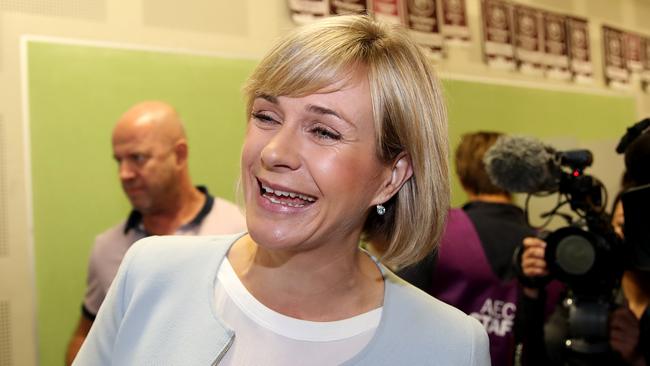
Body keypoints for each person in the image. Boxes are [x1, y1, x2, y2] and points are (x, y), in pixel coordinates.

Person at [72, 15, 490, 365]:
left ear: (391, 176)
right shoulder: (149, 274)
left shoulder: (450, 345)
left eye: (324, 130)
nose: (274, 152)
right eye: (266, 116)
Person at [65, 101, 246, 364]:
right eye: (119, 161)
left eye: (138, 158)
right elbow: (86, 333)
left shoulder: (241, 232)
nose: (124, 174)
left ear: (180, 155)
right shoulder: (107, 247)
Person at [398, 132, 561, 366]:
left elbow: (401, 311)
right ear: (517, 180)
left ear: (462, 178)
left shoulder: (437, 231)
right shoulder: (549, 250)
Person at [519, 126, 650, 366]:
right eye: (621, 225)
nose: (628, 236)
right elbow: (532, 358)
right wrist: (532, 292)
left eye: (640, 228)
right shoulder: (584, 287)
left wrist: (638, 358)